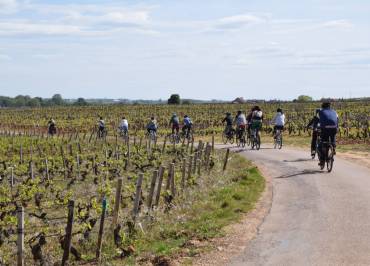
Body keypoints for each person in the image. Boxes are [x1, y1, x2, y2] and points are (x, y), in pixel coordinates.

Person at [318, 102, 339, 166]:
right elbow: (337, 120)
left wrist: (316, 127)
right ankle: (333, 148)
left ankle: (322, 160)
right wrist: (337, 127)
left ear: (322, 107)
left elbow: (316, 121)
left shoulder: (320, 112)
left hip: (325, 129)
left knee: (321, 144)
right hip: (334, 128)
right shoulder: (335, 112)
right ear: (330, 106)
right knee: (333, 138)